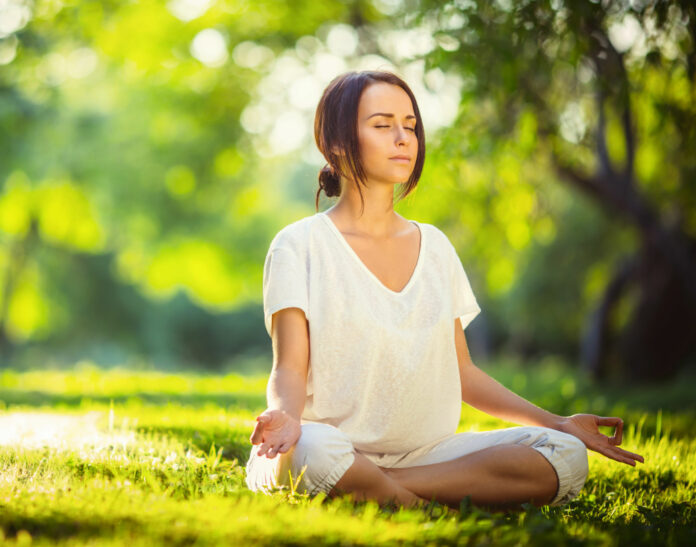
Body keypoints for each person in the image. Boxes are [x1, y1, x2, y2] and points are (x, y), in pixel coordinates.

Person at [245, 70, 645, 510]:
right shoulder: (298, 244)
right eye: (382, 125)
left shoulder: (434, 246)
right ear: (336, 143)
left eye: (411, 126)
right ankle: (418, 496)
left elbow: (463, 373)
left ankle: (380, 486)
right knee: (315, 454)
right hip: (327, 443)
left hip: (428, 454)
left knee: (564, 455)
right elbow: (289, 367)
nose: (403, 138)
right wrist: (285, 415)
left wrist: (560, 422)